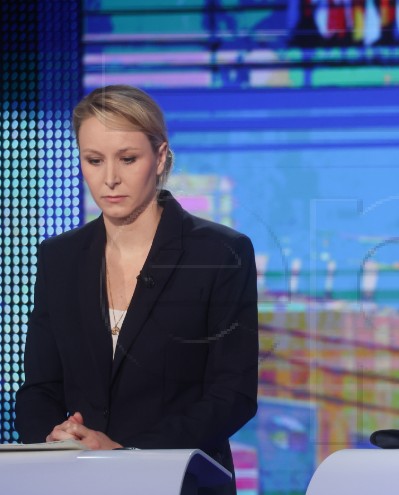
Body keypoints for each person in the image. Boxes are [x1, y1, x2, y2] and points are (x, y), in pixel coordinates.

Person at [14, 85, 258, 494]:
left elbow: (231, 395)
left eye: (128, 159)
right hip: (74, 482)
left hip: (181, 482)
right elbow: (40, 387)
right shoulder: (59, 257)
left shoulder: (221, 253)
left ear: (160, 157)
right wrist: (54, 442)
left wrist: (127, 455)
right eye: (94, 160)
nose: (110, 178)